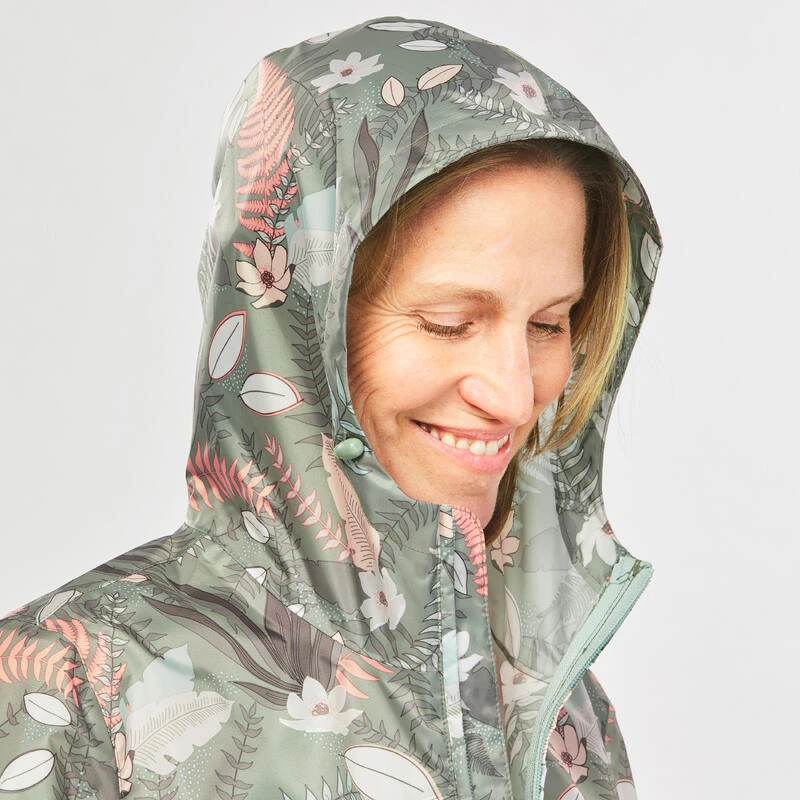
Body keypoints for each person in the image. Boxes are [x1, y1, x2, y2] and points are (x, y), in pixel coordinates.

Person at [0, 16, 660, 800]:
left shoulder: (559, 710)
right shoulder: (72, 688)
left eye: (550, 325)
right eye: (449, 323)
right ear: (300, 320)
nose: (516, 396)